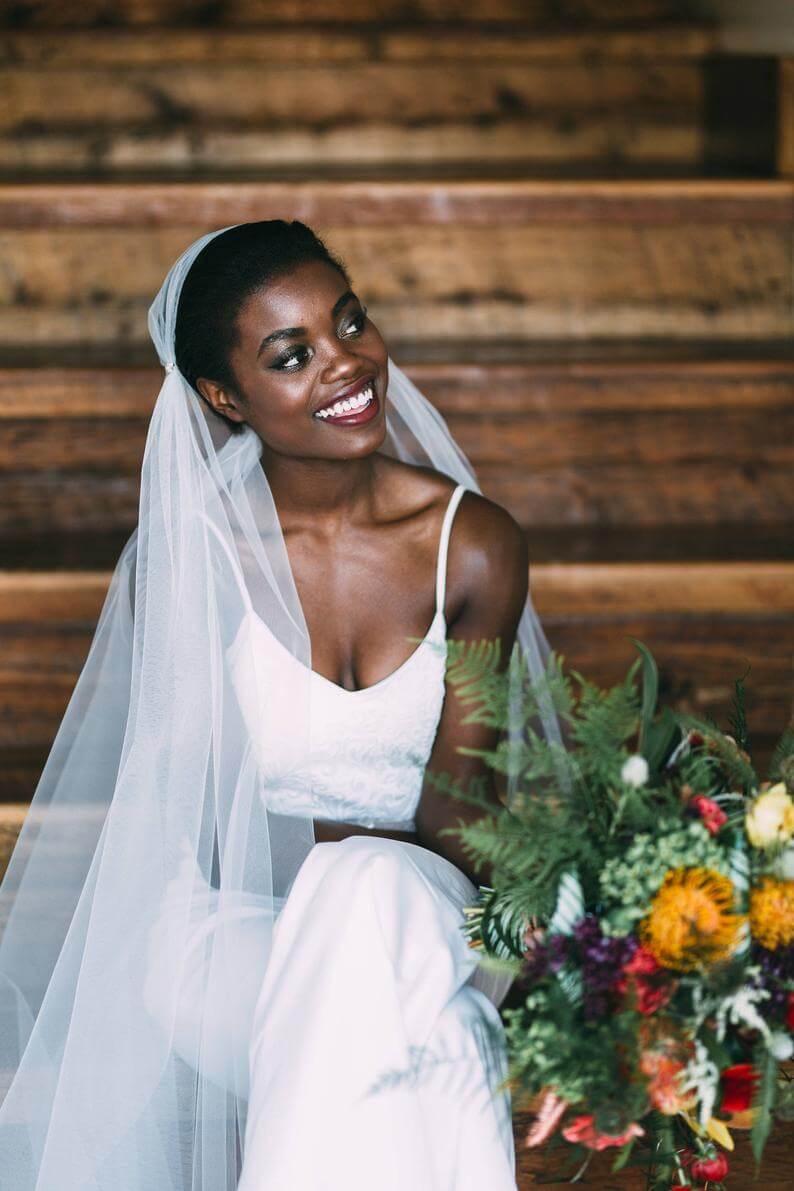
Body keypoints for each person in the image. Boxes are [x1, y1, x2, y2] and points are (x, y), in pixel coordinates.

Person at [0, 221, 564, 1190]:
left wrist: (525, 920)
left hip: (423, 909)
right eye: (291, 355)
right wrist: (351, 869)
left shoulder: (471, 547)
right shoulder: (198, 561)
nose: (346, 365)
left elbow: (455, 809)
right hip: (229, 926)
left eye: (348, 323)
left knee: (369, 901)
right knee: (369, 945)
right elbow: (198, 824)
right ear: (224, 397)